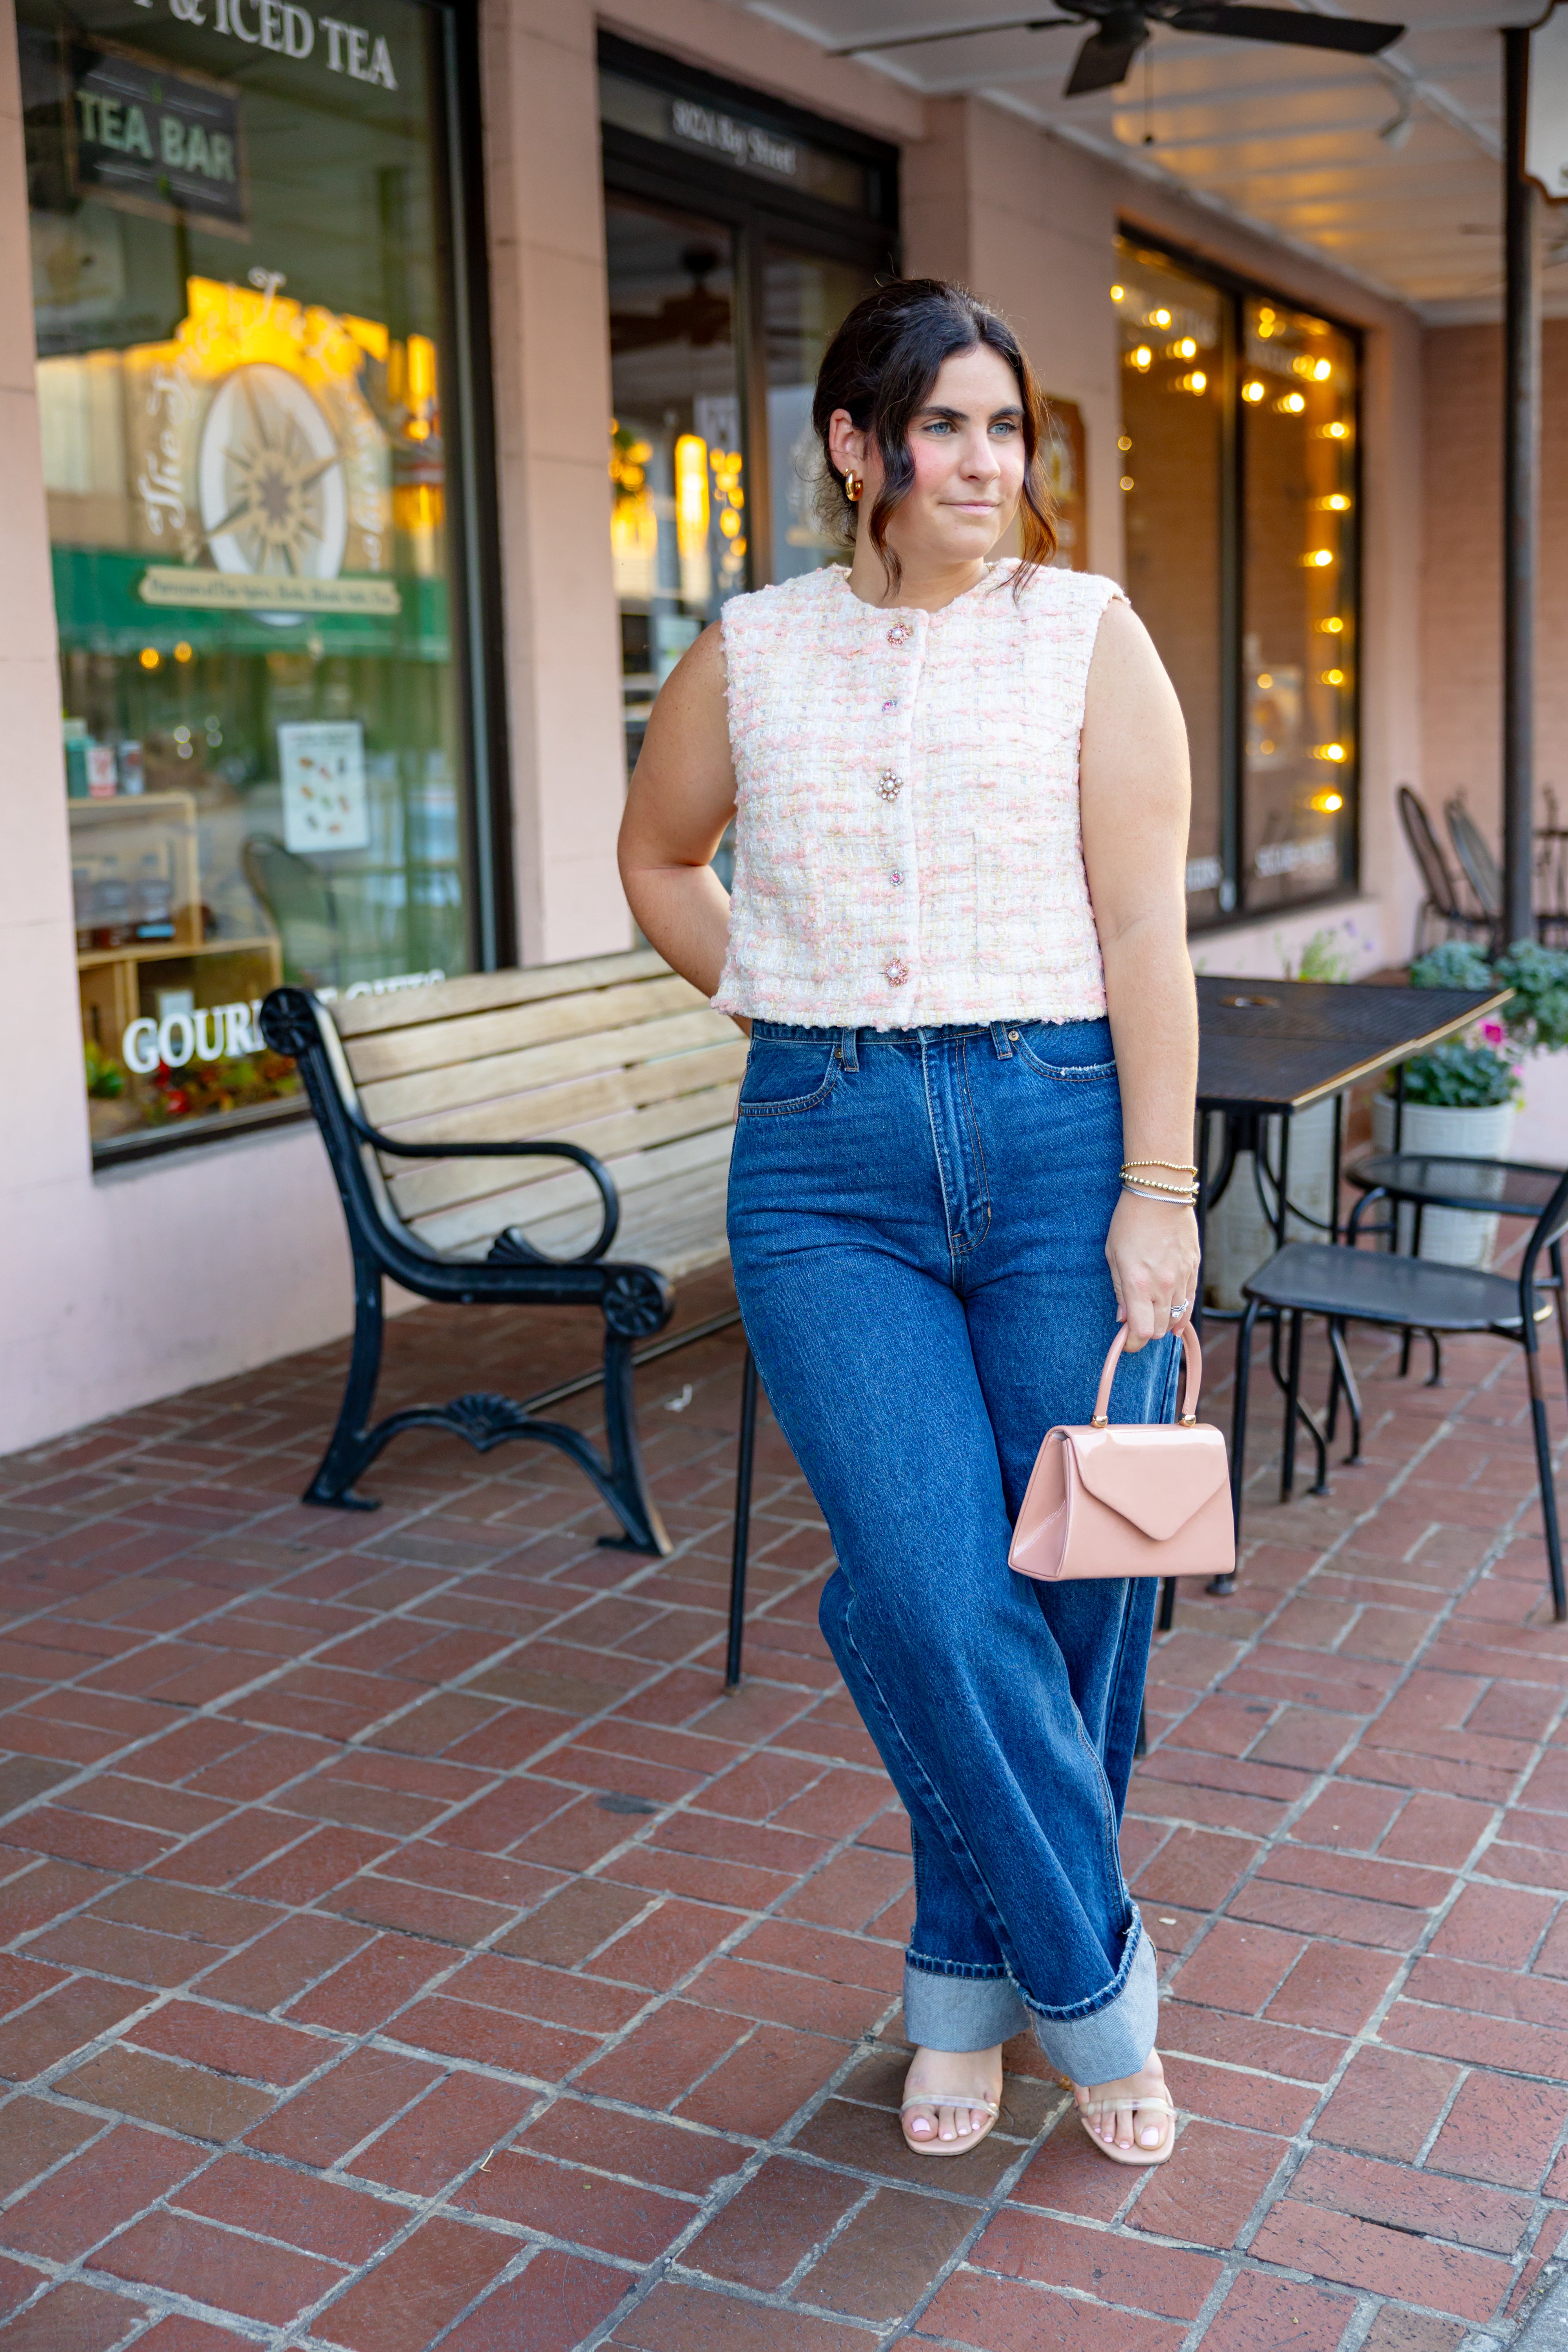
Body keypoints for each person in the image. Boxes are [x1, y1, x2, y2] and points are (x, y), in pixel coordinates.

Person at [618, 278, 1199, 2166]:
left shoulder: (1086, 637)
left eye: (1005, 427)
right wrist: (770, 993)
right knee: (935, 1596)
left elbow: (1141, 939)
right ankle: (1097, 2001)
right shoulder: (753, 648)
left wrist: (1159, 1190)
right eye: (942, 426)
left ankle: (961, 1976)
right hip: (823, 1168)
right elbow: (658, 854)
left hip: (1054, 1138)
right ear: (857, 448)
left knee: (1080, 1591)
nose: (983, 462)